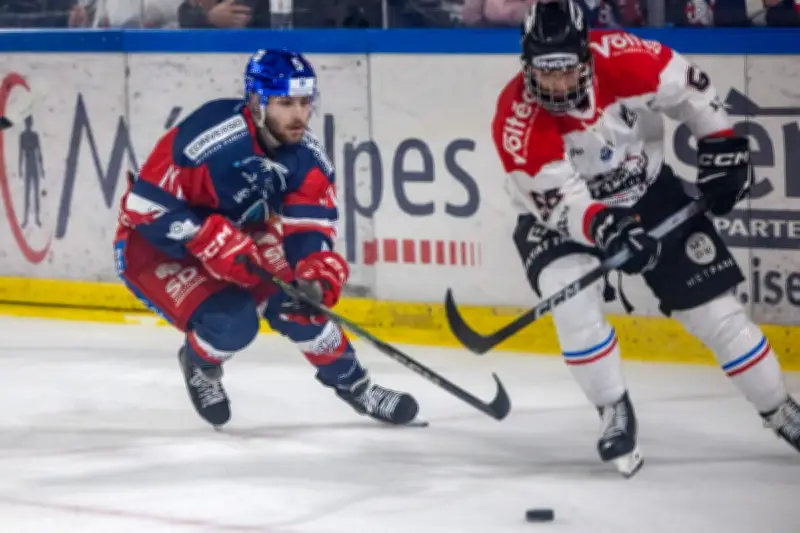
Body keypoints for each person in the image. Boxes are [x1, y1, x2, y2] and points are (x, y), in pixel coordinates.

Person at [492, 0, 799, 477]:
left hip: (647, 190)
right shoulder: (517, 121)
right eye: (543, 73)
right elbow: (562, 201)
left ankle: (780, 409)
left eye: (565, 70)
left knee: (718, 314)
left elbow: (692, 91)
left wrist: (721, 145)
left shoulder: (625, 57)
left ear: (586, 56)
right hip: (556, 218)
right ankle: (612, 407)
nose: (554, 86)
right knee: (572, 307)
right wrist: (605, 228)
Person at [113, 48, 419, 429]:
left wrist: (315, 277)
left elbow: (310, 229)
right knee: (234, 324)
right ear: (257, 102)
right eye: (285, 102)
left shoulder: (306, 158)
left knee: (299, 303)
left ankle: (357, 387)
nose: (299, 115)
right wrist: (209, 238)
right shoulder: (207, 138)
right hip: (155, 246)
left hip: (240, 237)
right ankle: (200, 363)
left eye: (306, 102)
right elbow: (142, 206)